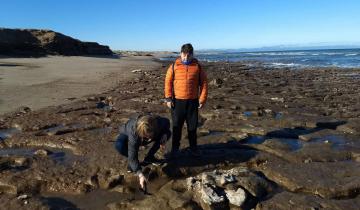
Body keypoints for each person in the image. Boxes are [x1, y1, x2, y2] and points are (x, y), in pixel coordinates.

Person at [164, 43, 208, 157]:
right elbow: (168, 83)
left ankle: (193, 148)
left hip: (193, 102)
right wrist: (168, 98)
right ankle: (175, 149)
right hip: (177, 102)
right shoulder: (174, 66)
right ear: (180, 54)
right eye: (184, 55)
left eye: (188, 55)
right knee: (176, 127)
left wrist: (202, 99)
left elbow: (204, 84)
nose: (186, 57)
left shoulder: (198, 66)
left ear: (192, 55)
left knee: (192, 127)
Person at [115, 114, 171, 189]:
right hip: (126, 134)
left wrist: (165, 134)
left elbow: (167, 123)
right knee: (119, 145)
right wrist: (140, 174)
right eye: (146, 137)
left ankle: (149, 158)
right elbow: (133, 155)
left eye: (150, 136)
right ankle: (133, 164)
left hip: (148, 132)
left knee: (168, 133)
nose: (148, 139)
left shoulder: (159, 122)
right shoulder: (133, 132)